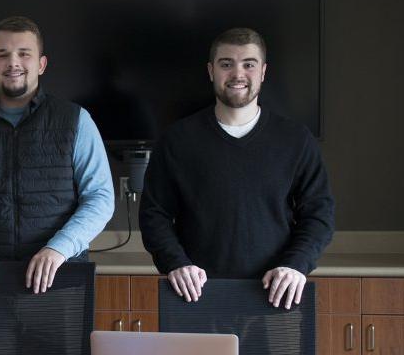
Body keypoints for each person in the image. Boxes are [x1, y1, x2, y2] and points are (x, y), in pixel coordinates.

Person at [139, 27, 334, 309]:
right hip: (196, 294)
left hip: (275, 293)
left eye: (249, 65)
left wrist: (296, 265)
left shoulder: (295, 139)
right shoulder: (177, 140)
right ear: (211, 71)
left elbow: (320, 214)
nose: (238, 74)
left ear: (263, 72)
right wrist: (176, 263)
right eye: (226, 64)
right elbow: (153, 214)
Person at [0, 16, 113, 293]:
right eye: (2, 55)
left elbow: (100, 198)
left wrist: (58, 249)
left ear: (41, 64)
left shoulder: (77, 120)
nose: (12, 63)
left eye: (24, 54)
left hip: (60, 277)